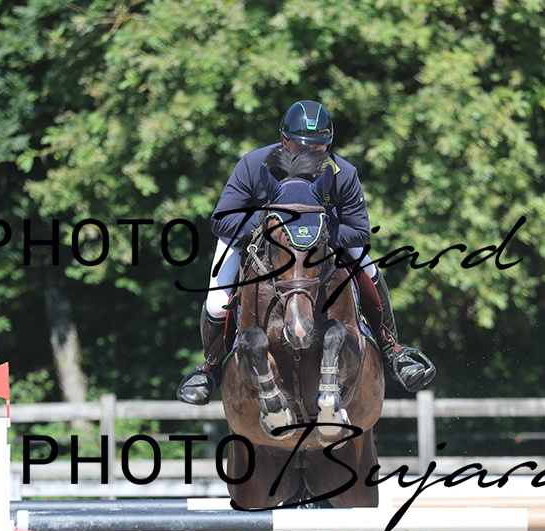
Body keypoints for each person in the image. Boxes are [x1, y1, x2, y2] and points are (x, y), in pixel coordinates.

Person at [177, 99, 435, 405]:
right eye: (303, 146)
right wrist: (271, 224)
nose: (312, 154)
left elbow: (359, 231)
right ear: (285, 141)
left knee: (369, 269)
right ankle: (210, 368)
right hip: (254, 241)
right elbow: (221, 220)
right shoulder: (253, 165)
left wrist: (318, 227)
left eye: (320, 147)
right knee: (218, 303)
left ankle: (393, 351)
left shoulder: (342, 172)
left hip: (322, 241)